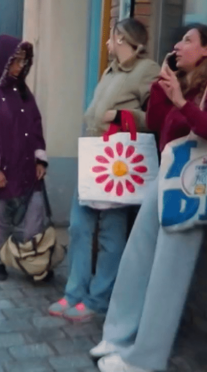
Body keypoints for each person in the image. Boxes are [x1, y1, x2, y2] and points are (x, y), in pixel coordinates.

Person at [91, 24, 207, 372]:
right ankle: (117, 335)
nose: (177, 45)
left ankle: (146, 359)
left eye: (187, 40)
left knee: (167, 275)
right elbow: (159, 122)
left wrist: (180, 101)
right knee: (137, 258)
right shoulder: (186, 83)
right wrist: (164, 88)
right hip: (169, 178)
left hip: (195, 186)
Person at [47, 19, 160, 323]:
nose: (108, 43)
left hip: (118, 165)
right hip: (96, 159)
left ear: (121, 38)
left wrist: (124, 115)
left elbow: (158, 117)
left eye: (111, 37)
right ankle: (74, 292)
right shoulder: (110, 70)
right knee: (79, 227)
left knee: (111, 233)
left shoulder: (147, 70)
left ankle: (98, 299)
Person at [0, 34, 48, 282]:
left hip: (24, 164)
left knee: (35, 214)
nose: (20, 66)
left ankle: (32, 259)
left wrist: (39, 158)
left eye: (24, 61)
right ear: (4, 60)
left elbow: (35, 124)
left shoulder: (23, 90)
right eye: (16, 61)